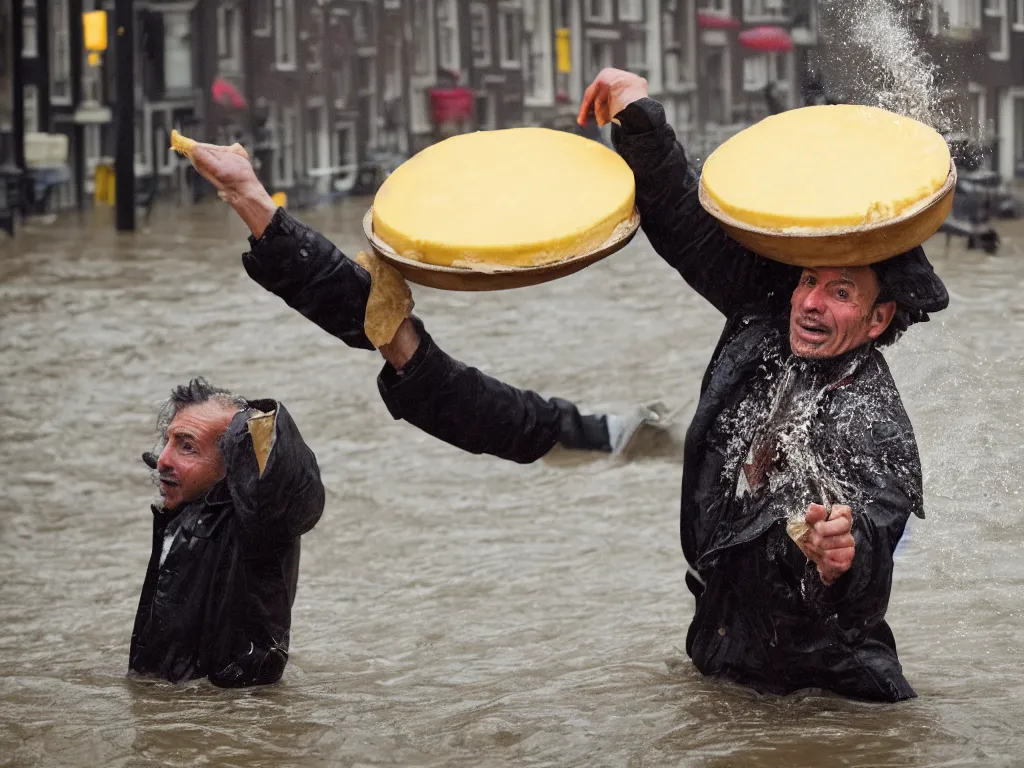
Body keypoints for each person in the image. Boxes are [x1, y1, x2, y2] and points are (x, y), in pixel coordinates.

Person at [574, 68, 948, 701]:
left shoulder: (872, 416)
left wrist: (843, 557)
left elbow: (877, 531)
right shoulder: (767, 321)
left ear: (879, 318)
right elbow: (686, 224)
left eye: (840, 292)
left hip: (827, 695)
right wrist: (638, 115)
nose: (810, 303)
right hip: (724, 657)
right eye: (807, 280)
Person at [129, 378, 325, 687]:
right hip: (176, 710)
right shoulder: (189, 506)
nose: (164, 459)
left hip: (233, 715)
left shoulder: (259, 523)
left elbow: (283, 483)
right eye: (168, 440)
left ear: (235, 466)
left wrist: (256, 427)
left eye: (187, 446)